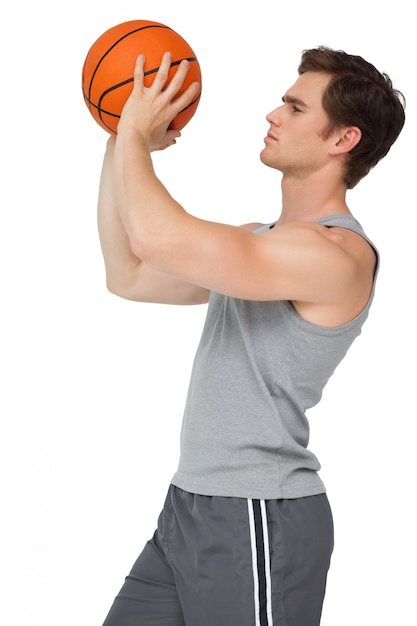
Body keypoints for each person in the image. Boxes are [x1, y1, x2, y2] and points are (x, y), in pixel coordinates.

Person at [97, 46, 405, 626]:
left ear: (342, 139)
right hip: (189, 503)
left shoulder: (334, 253)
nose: (272, 114)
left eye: (294, 107)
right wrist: (119, 142)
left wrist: (138, 138)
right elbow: (129, 275)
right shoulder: (259, 243)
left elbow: (158, 240)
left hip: (258, 511)